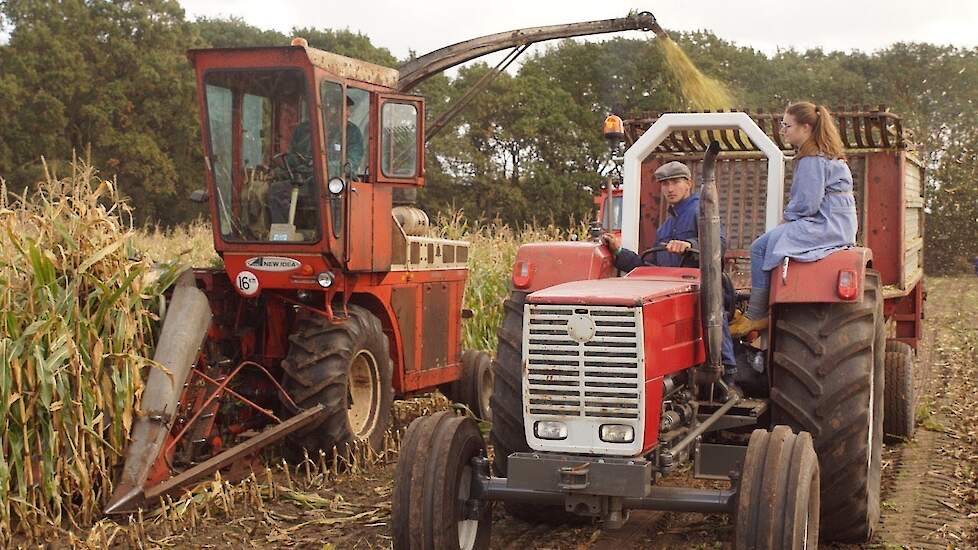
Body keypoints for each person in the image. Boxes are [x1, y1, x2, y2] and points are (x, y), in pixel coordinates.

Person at [601, 161, 738, 381]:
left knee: (711, 311)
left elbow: (718, 243)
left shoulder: (700, 210)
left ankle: (727, 372)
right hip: (671, 293)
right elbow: (649, 268)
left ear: (689, 184)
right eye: (665, 184)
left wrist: (690, 244)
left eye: (675, 182)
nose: (669, 189)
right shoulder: (666, 226)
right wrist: (618, 253)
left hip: (699, 288)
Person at [729, 102, 858, 337]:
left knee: (761, 247)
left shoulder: (812, 159)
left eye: (788, 125)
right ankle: (765, 306)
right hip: (838, 223)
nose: (783, 130)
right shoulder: (822, 153)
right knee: (771, 242)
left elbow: (807, 203)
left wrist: (787, 220)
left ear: (806, 128)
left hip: (825, 224)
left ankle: (756, 313)